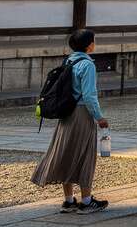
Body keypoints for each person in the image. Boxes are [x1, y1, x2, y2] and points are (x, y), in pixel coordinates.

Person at [31, 29, 109, 214]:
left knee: (66, 152)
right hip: (81, 113)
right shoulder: (87, 65)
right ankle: (87, 201)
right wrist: (99, 117)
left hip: (66, 112)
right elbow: (89, 95)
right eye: (93, 41)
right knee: (85, 154)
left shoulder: (69, 61)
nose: (94, 43)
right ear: (89, 45)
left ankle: (68, 200)